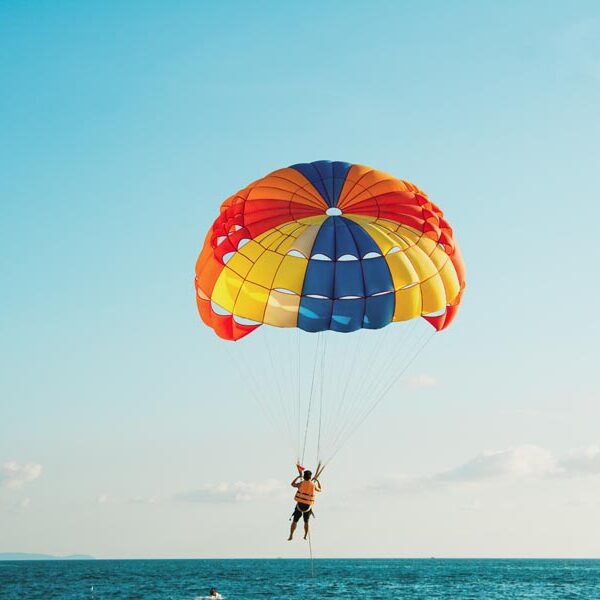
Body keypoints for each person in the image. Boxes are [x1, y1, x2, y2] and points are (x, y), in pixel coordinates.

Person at [288, 466, 321, 541]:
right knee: (306, 522)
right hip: (307, 507)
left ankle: (291, 534)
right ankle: (305, 535)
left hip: (299, 506)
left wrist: (298, 476)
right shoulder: (313, 485)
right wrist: (317, 481)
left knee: (294, 521)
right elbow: (320, 489)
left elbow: (292, 484)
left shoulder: (301, 483)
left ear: (304, 476)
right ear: (310, 477)